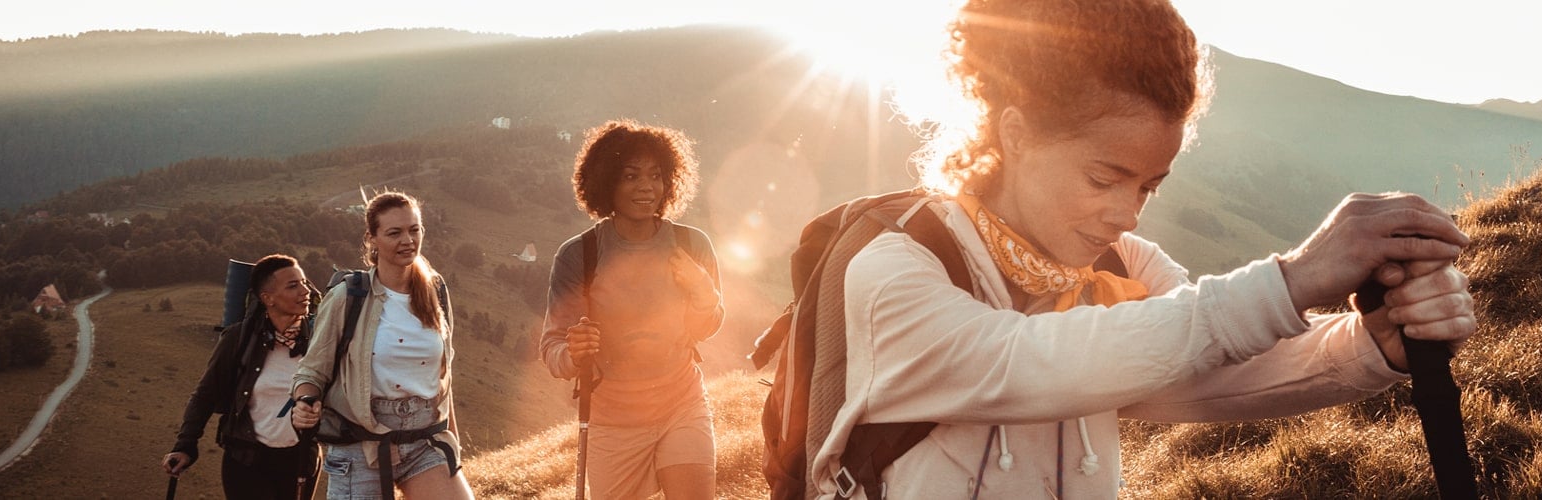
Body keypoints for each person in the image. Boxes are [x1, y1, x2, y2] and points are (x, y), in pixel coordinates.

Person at [810, 0, 1479, 498]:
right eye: (1104, 178)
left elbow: (1207, 369)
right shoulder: (896, 270)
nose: (1125, 213)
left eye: (1150, 186)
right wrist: (1294, 278)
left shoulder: (1122, 267)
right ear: (1015, 135)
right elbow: (1029, 364)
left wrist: (1376, 342)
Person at [540, 120, 724, 500]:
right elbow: (553, 347)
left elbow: (707, 326)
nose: (647, 187)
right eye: (631, 176)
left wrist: (702, 289)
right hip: (613, 424)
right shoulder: (581, 254)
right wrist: (573, 353)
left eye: (656, 175)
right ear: (606, 183)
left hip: (682, 404)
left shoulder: (691, 244)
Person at [291, 191, 472, 500]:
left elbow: (445, 373)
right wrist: (304, 403)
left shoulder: (436, 290)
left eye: (414, 230)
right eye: (394, 233)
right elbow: (311, 372)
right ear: (372, 238)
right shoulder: (348, 297)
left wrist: (452, 439)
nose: (408, 240)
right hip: (360, 445)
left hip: (425, 440)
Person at [164, 253, 321, 499]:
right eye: (293, 285)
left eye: (304, 283)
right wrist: (185, 445)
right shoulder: (239, 339)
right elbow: (205, 394)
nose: (305, 291)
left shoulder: (319, 340)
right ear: (267, 298)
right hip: (246, 461)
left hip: (299, 461)